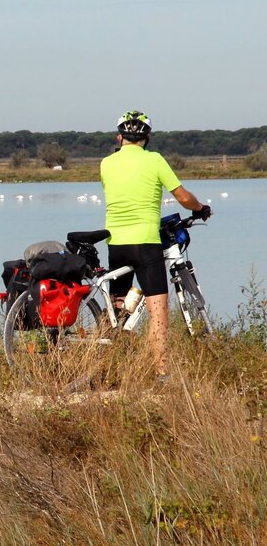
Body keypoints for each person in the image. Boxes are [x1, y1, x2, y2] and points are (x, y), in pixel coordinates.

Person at [100, 110, 212, 379]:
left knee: (119, 306)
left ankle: (107, 363)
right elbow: (183, 197)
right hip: (146, 242)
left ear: (119, 137)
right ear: (147, 138)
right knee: (158, 309)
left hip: (115, 243)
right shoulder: (155, 160)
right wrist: (200, 208)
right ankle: (161, 373)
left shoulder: (106, 163)